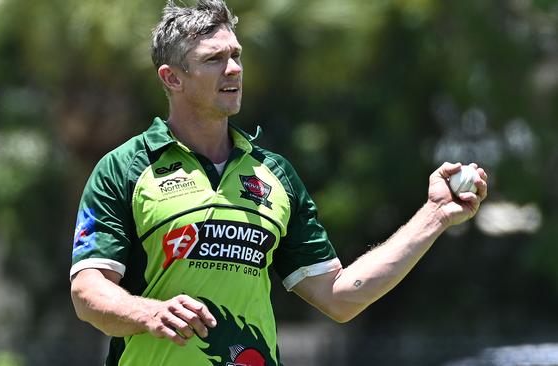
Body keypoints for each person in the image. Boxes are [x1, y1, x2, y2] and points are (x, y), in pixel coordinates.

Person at [69, 0, 488, 365]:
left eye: (236, 56)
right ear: (172, 78)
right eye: (214, 59)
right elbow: (88, 290)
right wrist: (149, 313)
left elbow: (339, 296)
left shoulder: (275, 175)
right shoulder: (124, 167)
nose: (233, 69)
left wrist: (434, 216)